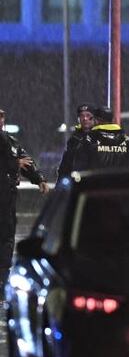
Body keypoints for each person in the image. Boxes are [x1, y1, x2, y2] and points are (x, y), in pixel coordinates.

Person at [0, 107, 49, 284]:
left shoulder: (10, 141)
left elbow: (26, 161)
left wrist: (39, 179)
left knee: (6, 238)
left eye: (1, 116)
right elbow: (15, 162)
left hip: (7, 199)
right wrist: (13, 164)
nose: (0, 120)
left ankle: (2, 283)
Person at [69, 106, 129, 172]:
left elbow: (78, 171)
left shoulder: (88, 140)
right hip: (122, 187)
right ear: (112, 120)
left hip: (96, 186)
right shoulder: (128, 141)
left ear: (96, 120)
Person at [56, 103, 96, 180]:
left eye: (88, 115)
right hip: (77, 180)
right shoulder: (74, 139)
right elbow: (66, 163)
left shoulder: (100, 136)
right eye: (82, 116)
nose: (85, 118)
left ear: (94, 118)